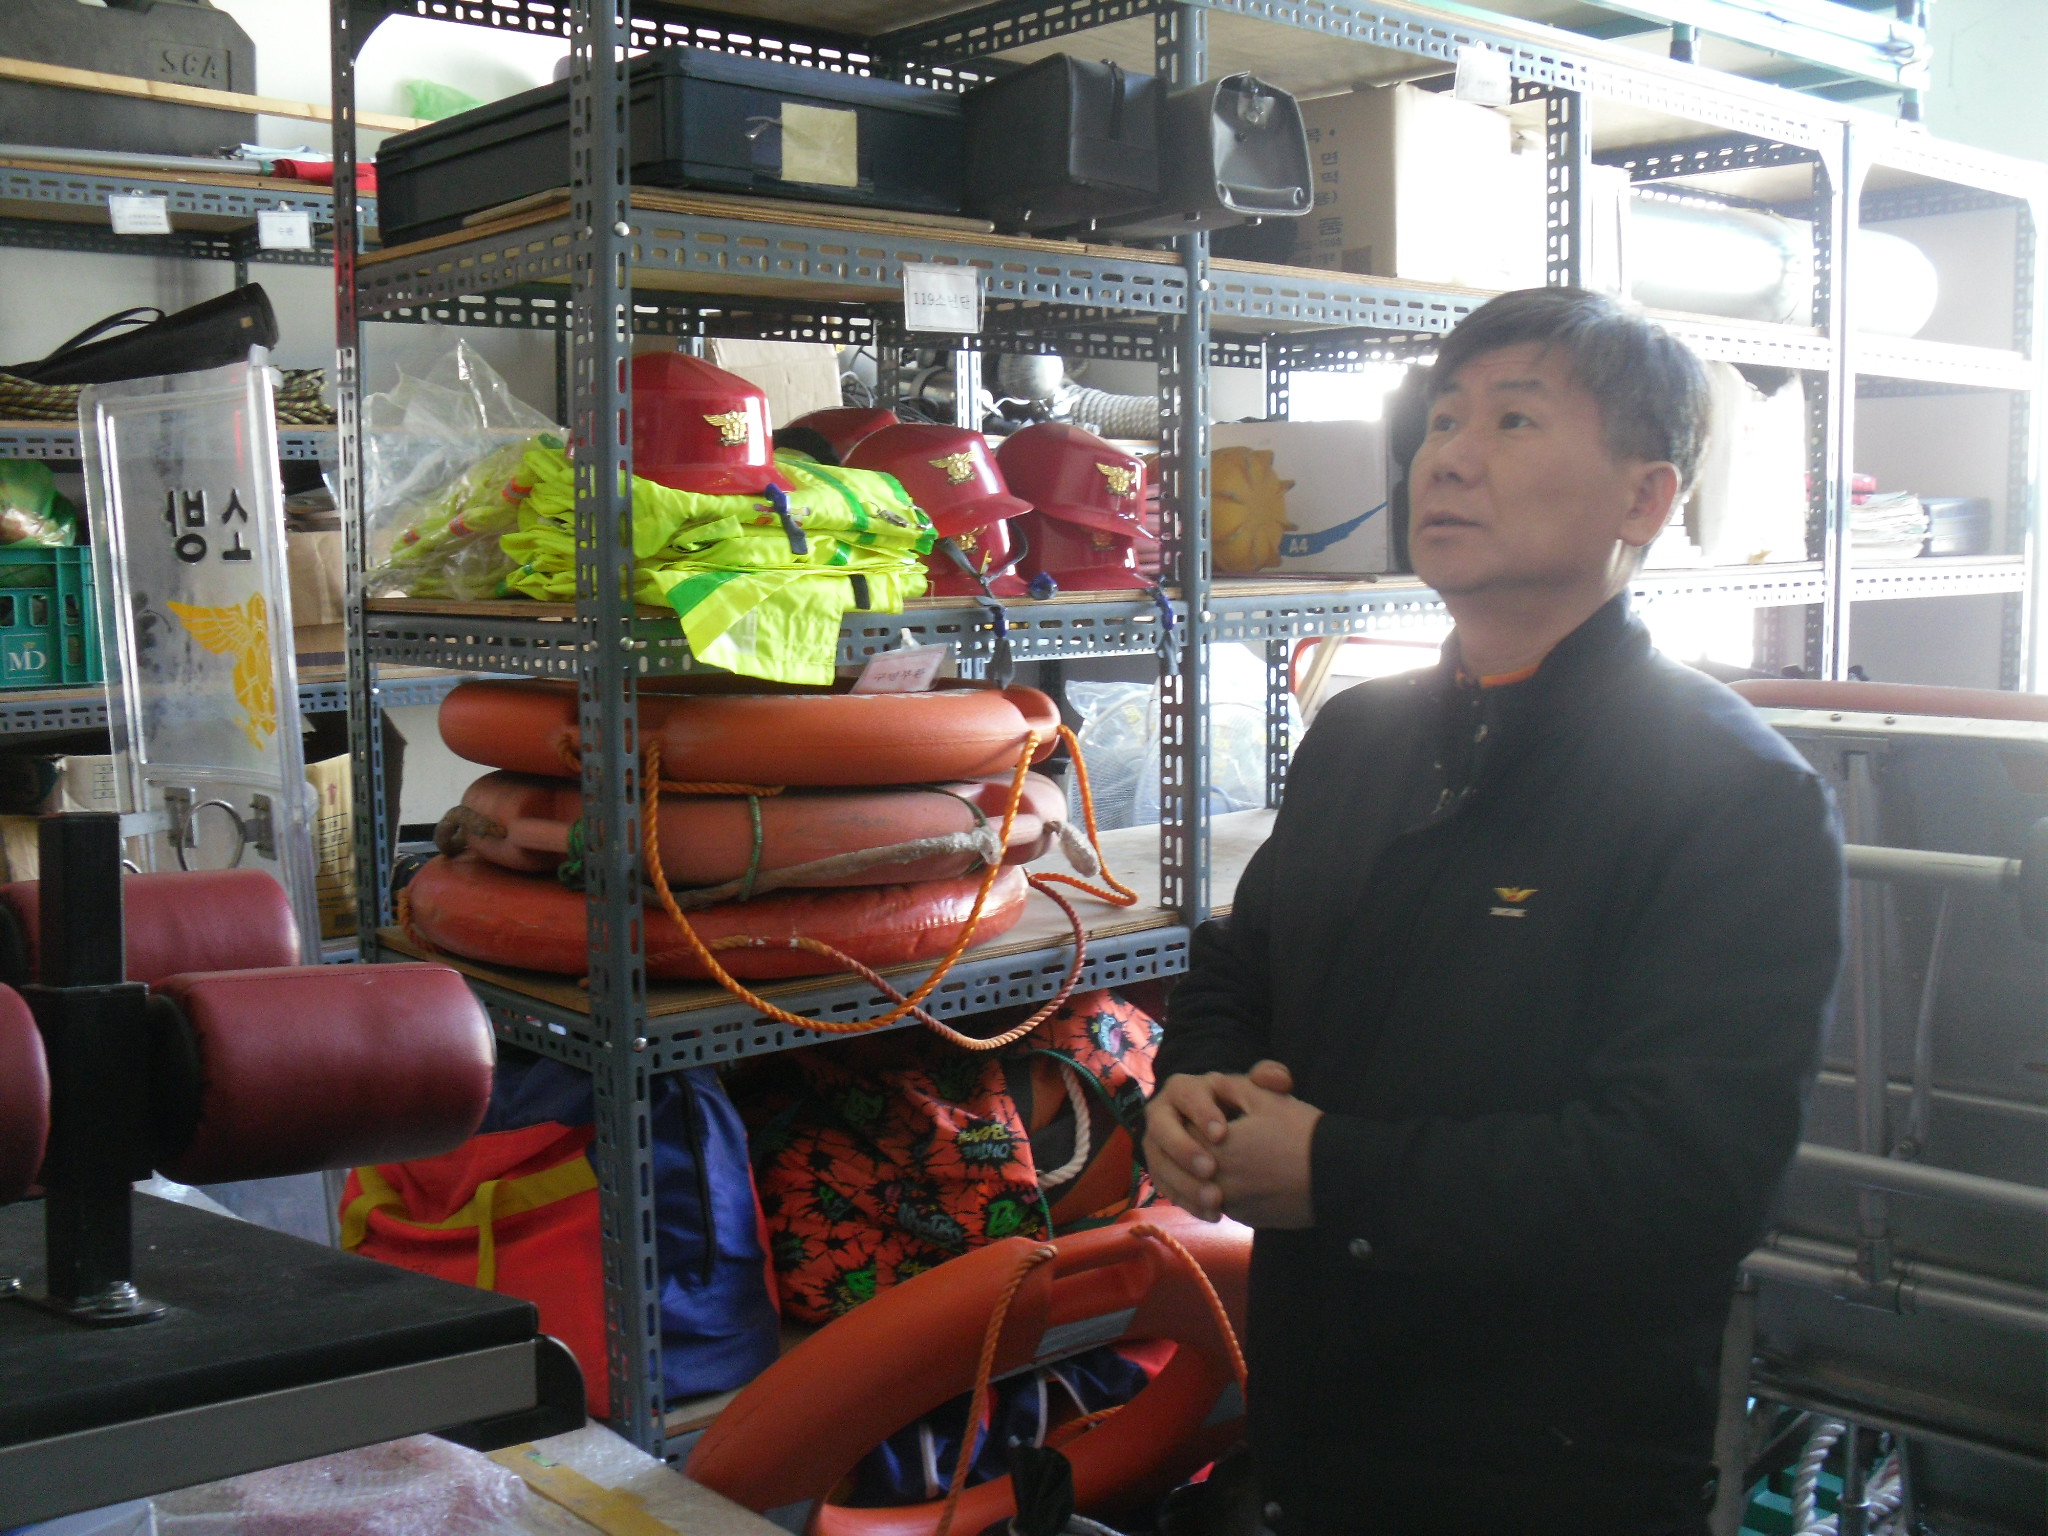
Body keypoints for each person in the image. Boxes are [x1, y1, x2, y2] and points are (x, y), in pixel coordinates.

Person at [1145, 287, 1844, 1535]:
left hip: (1542, 1461)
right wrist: (1196, 1087)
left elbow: (1687, 1179)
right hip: (1317, 1426)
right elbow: (1238, 965)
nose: (1449, 458)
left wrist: (1331, 1170)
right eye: (1442, 419)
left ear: (1644, 500)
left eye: (1514, 421)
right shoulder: (1360, 735)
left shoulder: (1728, 790)